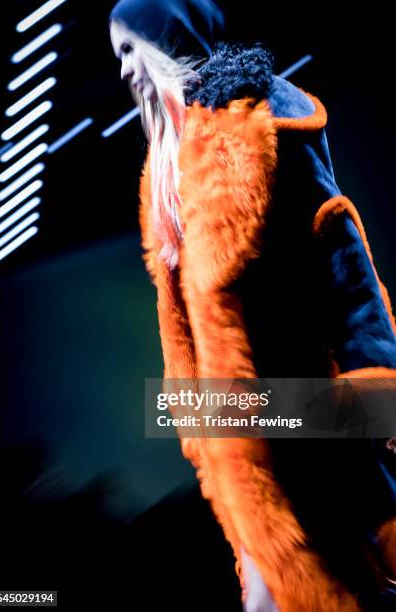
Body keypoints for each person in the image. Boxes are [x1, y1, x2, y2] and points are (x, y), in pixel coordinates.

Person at [108, 1, 396, 609]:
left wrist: (377, 388)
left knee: (340, 575)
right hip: (243, 433)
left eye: (131, 49)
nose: (125, 69)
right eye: (118, 56)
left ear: (166, 39)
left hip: (308, 413)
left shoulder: (257, 122)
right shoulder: (167, 170)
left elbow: (334, 239)